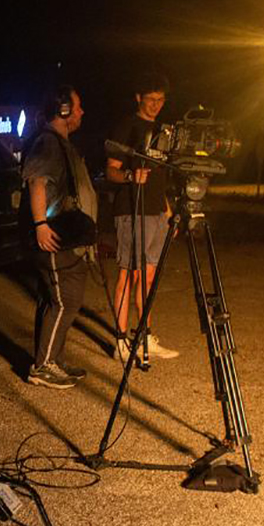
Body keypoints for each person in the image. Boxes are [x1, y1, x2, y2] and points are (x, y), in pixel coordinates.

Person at [21, 85, 98, 389]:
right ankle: (42, 367)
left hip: (66, 236)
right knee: (65, 301)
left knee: (54, 300)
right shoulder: (48, 142)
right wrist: (41, 224)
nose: (82, 112)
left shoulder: (60, 143)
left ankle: (54, 359)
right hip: (55, 236)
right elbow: (36, 182)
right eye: (77, 107)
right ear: (63, 110)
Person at [106, 72, 179, 361]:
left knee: (148, 276)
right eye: (150, 99)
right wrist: (129, 175)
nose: (156, 104)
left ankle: (144, 336)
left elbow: (160, 177)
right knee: (129, 274)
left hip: (156, 212)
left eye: (161, 99)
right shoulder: (127, 126)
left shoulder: (161, 130)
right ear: (138, 98)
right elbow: (111, 170)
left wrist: (167, 211)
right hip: (131, 209)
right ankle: (120, 341)